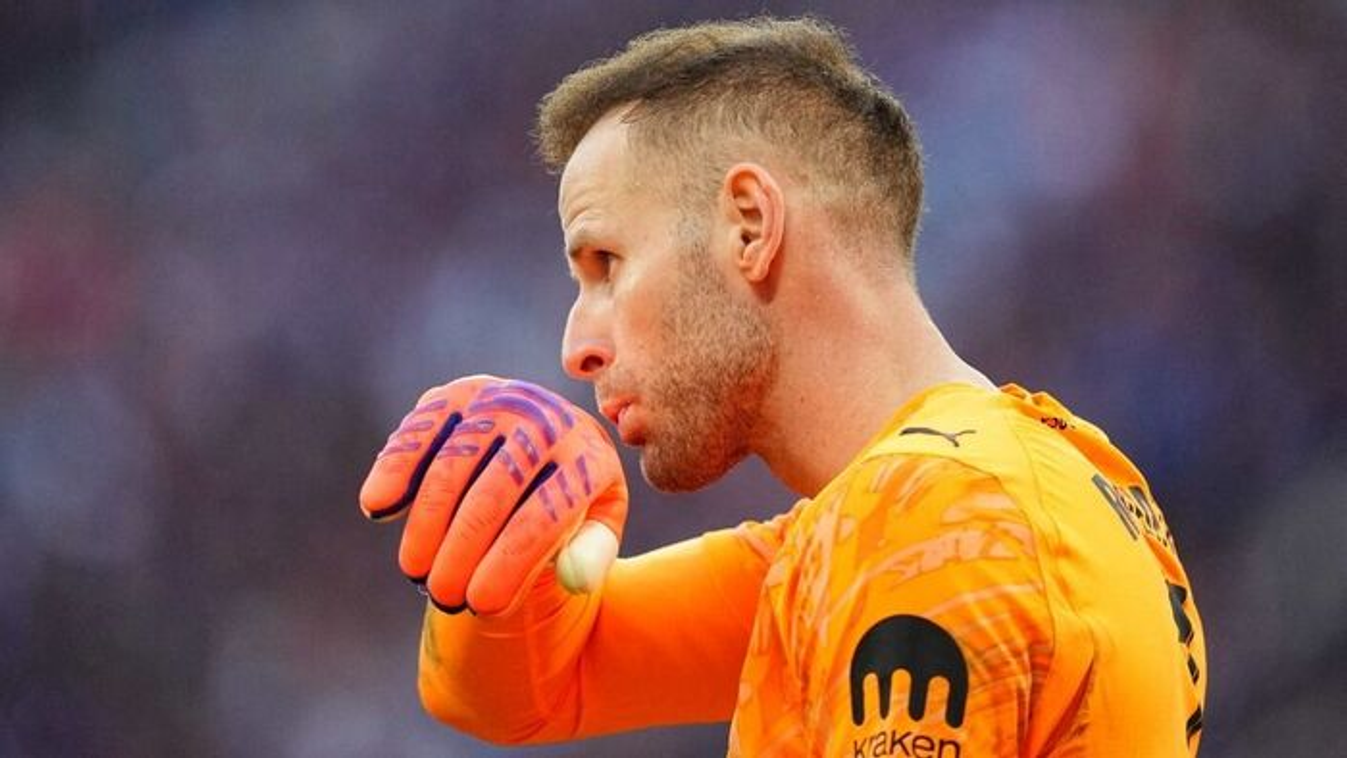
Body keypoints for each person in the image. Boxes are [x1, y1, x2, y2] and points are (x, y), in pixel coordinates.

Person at [359, 16, 1206, 757]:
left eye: (606, 263)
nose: (576, 347)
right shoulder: (1013, 489)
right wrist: (512, 555)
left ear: (749, 226)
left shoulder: (937, 512)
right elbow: (524, 694)